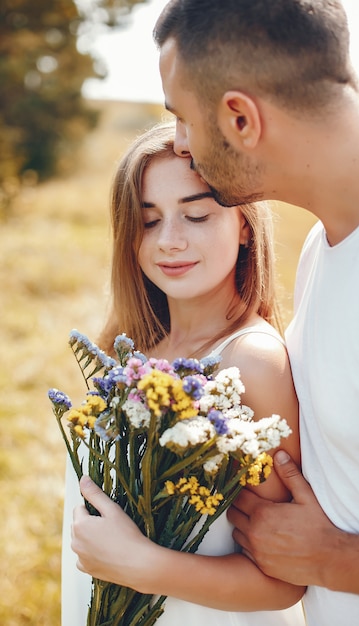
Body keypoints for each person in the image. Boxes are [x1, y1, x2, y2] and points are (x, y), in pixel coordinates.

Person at [152, 1, 359, 625]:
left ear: (240, 117)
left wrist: (334, 560)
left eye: (183, 120)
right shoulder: (328, 245)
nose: (183, 148)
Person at [67, 121, 306, 625]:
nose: (169, 241)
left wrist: (142, 566)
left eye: (195, 215)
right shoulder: (131, 346)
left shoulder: (249, 363)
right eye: (148, 221)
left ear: (244, 224)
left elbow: (286, 579)